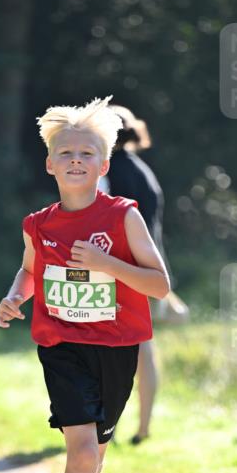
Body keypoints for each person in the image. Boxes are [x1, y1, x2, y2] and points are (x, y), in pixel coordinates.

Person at [0, 97, 170, 473]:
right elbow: (31, 271)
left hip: (118, 349)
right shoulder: (39, 225)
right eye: (66, 152)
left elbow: (159, 285)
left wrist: (104, 261)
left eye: (87, 152)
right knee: (84, 453)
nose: (76, 159)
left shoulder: (123, 217)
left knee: (92, 461)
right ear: (50, 163)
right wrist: (14, 296)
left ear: (105, 164)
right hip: (63, 347)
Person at [107, 105, 165, 445]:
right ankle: (143, 427)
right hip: (148, 270)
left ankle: (107, 426)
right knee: (143, 349)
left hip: (119, 271)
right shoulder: (145, 172)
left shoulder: (106, 171)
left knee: (112, 352)